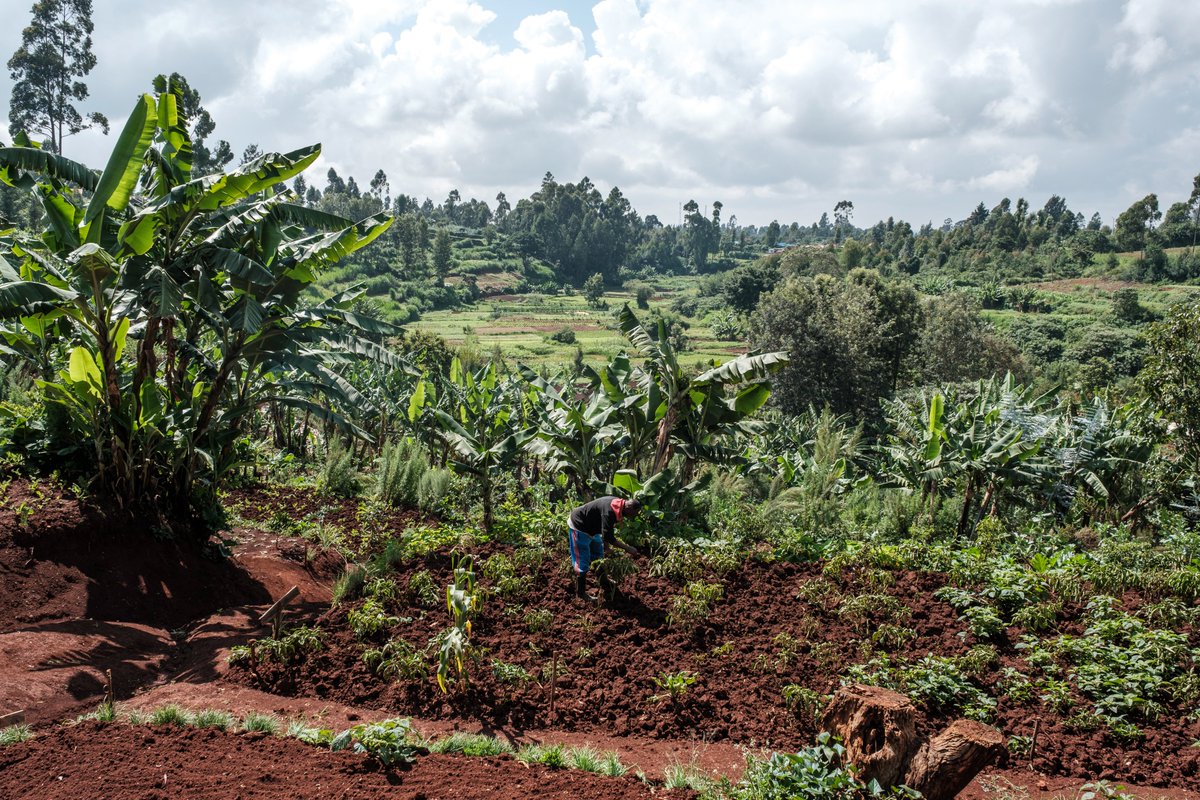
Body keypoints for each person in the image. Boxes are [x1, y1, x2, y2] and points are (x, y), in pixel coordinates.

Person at [567, 495, 642, 601]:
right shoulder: (610, 511)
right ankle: (581, 593)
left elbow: (606, 530)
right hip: (579, 526)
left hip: (593, 528)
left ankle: (603, 580)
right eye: (634, 514)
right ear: (629, 508)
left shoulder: (618, 505)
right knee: (582, 560)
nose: (633, 517)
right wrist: (627, 548)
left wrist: (606, 548)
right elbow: (608, 537)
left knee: (599, 554)